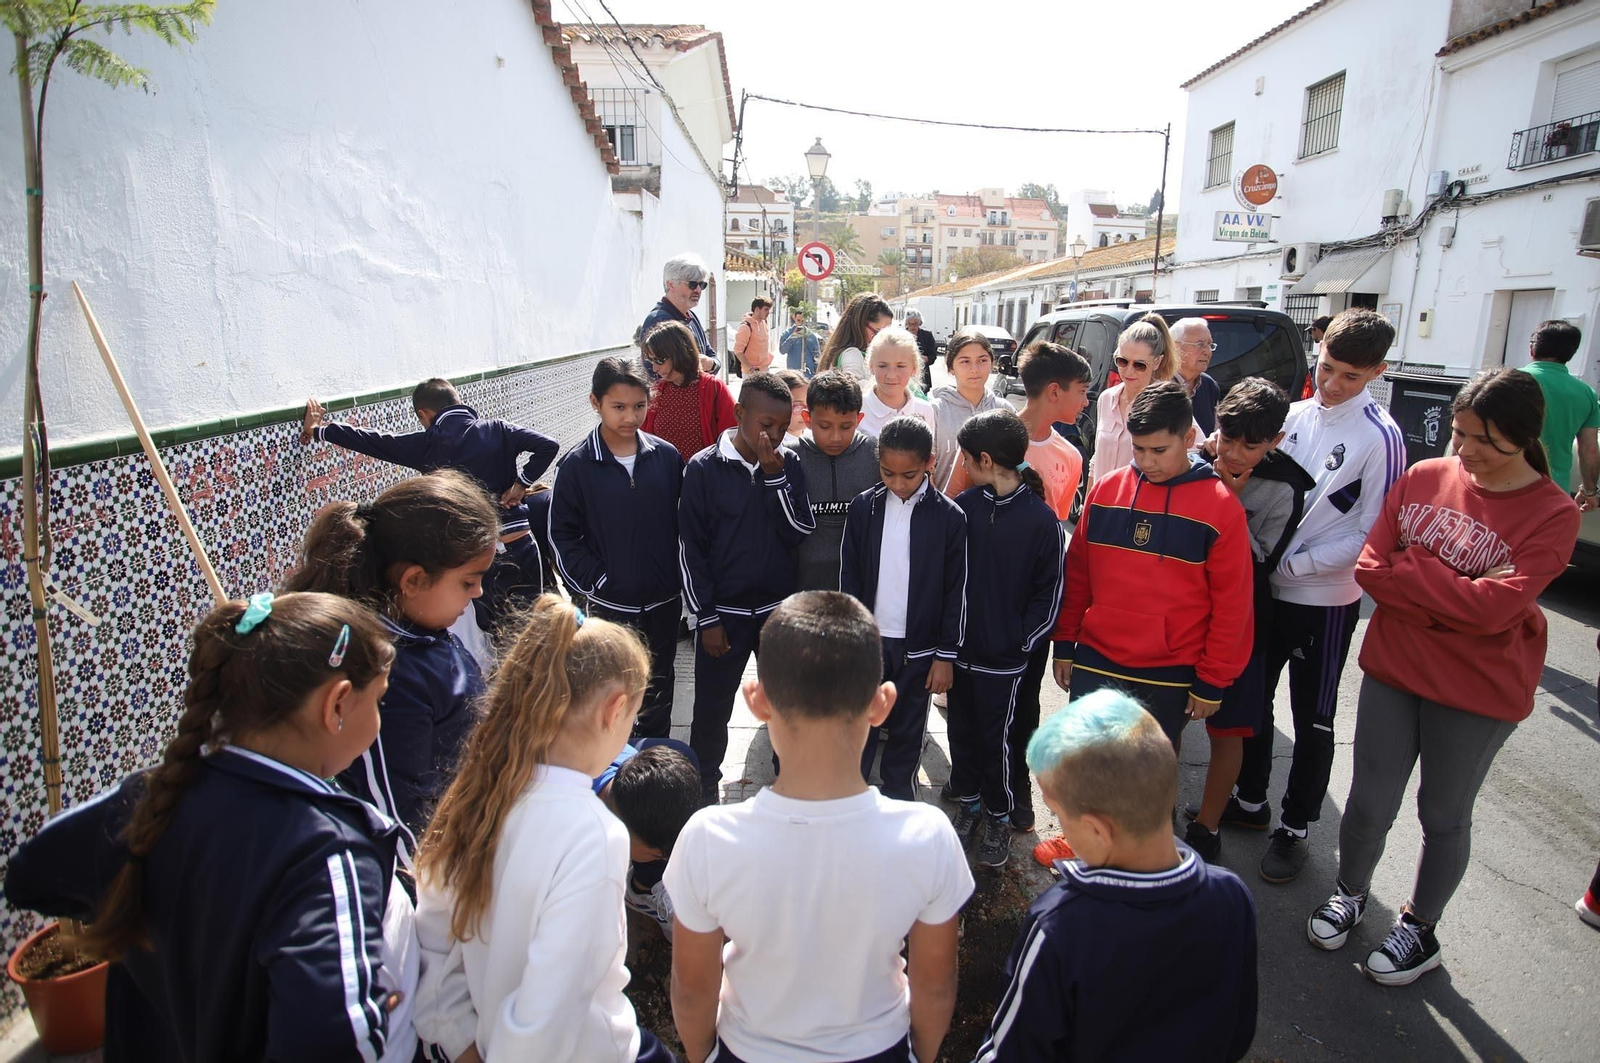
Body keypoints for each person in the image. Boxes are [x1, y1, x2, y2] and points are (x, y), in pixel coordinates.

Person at [5, 593, 410, 1062]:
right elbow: (332, 1041)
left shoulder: (151, 797)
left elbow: (29, 875)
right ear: (337, 704)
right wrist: (367, 1016)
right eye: (379, 699)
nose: (380, 716)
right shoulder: (328, 854)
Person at [1305, 368, 1581, 987]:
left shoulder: (1551, 513)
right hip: (1395, 668)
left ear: (1524, 438)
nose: (1467, 452)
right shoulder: (1426, 477)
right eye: (1459, 434)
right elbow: (1373, 569)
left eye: (1486, 441)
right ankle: (1350, 893)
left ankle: (1419, 927)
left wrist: (1419, 570)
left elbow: (1498, 610)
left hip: (1478, 692)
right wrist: (1456, 592)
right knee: (1370, 799)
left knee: (1444, 812)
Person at [665, 592, 973, 1063]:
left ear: (758, 700)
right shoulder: (927, 836)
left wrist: (703, 1056)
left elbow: (691, 991)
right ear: (882, 703)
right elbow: (934, 988)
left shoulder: (708, 838)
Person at [411, 596, 676, 1061]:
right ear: (614, 711)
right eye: (633, 718)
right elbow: (545, 1020)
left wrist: (465, 1045)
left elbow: (434, 953)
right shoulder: (595, 835)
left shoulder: (473, 798)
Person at [973, 690, 1257, 1063]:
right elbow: (1238, 1030)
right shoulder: (1232, 896)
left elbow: (1011, 1051)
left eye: (1059, 816)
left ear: (1096, 830)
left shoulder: (1059, 926)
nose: (1060, 827)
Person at [1234, 308, 1406, 886]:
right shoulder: (1294, 416)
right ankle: (1251, 801)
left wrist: (1293, 563)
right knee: (1253, 700)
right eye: (1326, 368)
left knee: (1314, 718)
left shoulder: (1382, 438)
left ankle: (1296, 827)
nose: (1332, 385)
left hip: (1324, 600)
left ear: (1377, 372)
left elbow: (1376, 533)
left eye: (1349, 378)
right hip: (1266, 592)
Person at [281, 471, 499, 859]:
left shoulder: (425, 630)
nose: (479, 592)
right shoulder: (385, 679)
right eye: (468, 582)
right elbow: (398, 815)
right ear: (413, 580)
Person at [1052, 381, 1253, 752]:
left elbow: (1233, 605)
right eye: (1138, 449)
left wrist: (1213, 679)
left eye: (1159, 450)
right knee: (1085, 769)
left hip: (1170, 669)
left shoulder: (1221, 507)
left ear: (1189, 436)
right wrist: (1064, 643)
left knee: (1147, 777)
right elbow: (1077, 574)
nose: (1147, 461)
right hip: (1098, 658)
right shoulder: (1107, 490)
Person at [300, 378, 558, 637]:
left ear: (424, 413)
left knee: (496, 635)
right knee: (534, 631)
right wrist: (521, 484)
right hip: (522, 544)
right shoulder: (498, 429)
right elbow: (548, 445)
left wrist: (319, 430)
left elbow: (374, 441)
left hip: (478, 559)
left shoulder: (428, 444)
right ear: (457, 402)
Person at [1182, 379, 1315, 864]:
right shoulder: (1195, 460)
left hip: (1242, 624)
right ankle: (1156, 818)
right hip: (1183, 620)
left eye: (1250, 445)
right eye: (1227, 438)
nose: (1234, 453)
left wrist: (1229, 503)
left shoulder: (1285, 487)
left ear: (1276, 441)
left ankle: (1207, 826)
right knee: (1170, 721)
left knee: (1230, 728)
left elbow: (1263, 560)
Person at [679, 372, 816, 802]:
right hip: (725, 615)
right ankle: (703, 789)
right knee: (712, 709)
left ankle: (789, 786)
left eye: (781, 426)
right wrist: (706, 616)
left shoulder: (789, 464)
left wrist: (775, 479)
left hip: (776, 614)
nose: (772, 434)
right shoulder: (703, 468)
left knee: (784, 707)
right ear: (739, 414)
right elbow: (690, 549)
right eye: (764, 424)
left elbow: (799, 531)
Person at [947, 409, 1066, 869]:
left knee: (998, 738)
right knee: (963, 731)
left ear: (983, 459)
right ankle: (971, 805)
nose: (962, 467)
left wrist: (1020, 642)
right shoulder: (966, 509)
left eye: (965, 459)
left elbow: (1049, 594)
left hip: (1005, 661)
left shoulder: (1041, 521)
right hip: (960, 655)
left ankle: (999, 814)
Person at [550, 358, 685, 740]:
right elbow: (562, 535)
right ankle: (611, 761)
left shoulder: (666, 457)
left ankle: (653, 759)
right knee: (612, 687)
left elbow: (687, 524)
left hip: (663, 600)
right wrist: (599, 581)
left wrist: (676, 575)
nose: (630, 417)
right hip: (611, 605)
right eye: (619, 407)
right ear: (596, 402)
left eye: (639, 406)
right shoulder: (577, 466)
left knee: (658, 683)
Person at [841, 417, 967, 800]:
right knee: (859, 724)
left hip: (921, 650)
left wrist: (945, 654)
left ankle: (899, 803)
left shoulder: (949, 517)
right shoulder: (865, 507)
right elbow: (851, 576)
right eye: (887, 473)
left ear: (929, 461)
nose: (897, 484)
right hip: (870, 643)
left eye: (908, 475)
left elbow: (955, 590)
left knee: (908, 731)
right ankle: (851, 800)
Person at [996, 342, 1091, 835]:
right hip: (986, 594)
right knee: (983, 696)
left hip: (1036, 599)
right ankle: (978, 783)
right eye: (1081, 392)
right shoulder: (993, 434)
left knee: (1026, 699)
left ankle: (1017, 789)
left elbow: (1058, 529)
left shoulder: (1069, 455)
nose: (1086, 402)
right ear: (1054, 391)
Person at [595, 742, 703, 940]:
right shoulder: (574, 833)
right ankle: (642, 890)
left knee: (686, 754)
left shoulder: (625, 763)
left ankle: (653, 876)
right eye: (656, 855)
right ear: (621, 835)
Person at [794, 371, 878, 592]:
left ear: (859, 420)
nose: (835, 437)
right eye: (824, 426)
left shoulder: (876, 456)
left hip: (861, 583)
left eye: (845, 426)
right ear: (807, 418)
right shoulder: (789, 458)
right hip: (802, 585)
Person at [1088, 313, 1183, 486]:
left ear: (1157, 362)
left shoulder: (1167, 403)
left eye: (1139, 365)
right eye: (1122, 361)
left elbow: (1192, 452)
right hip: (1102, 505)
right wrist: (1087, 508)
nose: (1129, 371)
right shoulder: (1106, 398)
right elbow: (1097, 460)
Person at [1518, 318, 1598, 509]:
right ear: (1571, 354)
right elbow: (1589, 450)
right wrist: (1589, 491)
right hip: (1553, 492)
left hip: (1502, 486)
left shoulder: (1506, 381)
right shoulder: (1586, 393)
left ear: (1532, 349)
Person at [641, 319, 738, 462]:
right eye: (651, 361)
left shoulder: (714, 388)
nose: (655, 368)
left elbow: (732, 436)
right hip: (665, 479)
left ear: (680, 353)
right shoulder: (656, 392)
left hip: (703, 478)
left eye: (659, 360)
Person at [931, 328, 1008, 495]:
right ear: (950, 367)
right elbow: (925, 468)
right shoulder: (935, 411)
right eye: (965, 361)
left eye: (982, 360)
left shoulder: (1005, 410)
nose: (974, 369)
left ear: (992, 363)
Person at [640, 252, 718, 383]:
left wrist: (711, 364)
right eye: (692, 284)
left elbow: (711, 354)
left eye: (702, 285)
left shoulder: (691, 316)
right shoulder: (658, 321)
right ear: (671, 284)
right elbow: (655, 373)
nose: (698, 290)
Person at [859, 326, 938, 438]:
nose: (891, 375)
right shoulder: (857, 409)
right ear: (871, 366)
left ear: (914, 368)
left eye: (900, 366)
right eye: (882, 366)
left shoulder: (924, 411)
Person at [818, 292, 893, 379]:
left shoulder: (839, 350)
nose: (881, 339)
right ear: (860, 325)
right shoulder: (852, 355)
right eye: (877, 332)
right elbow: (857, 388)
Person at [1172, 317, 1223, 436]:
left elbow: (1215, 432)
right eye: (1200, 345)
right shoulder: (1157, 382)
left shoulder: (1209, 385)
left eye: (1210, 345)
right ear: (1175, 347)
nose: (1207, 352)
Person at [732, 296, 774, 377]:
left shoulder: (764, 322)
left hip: (765, 370)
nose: (769, 312)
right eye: (766, 309)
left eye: (769, 309)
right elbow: (738, 350)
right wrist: (750, 368)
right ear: (757, 309)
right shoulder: (745, 327)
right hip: (751, 373)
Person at [905, 310, 938, 393]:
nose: (912, 326)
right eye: (910, 324)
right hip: (905, 376)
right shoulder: (900, 335)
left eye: (915, 323)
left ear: (920, 323)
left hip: (922, 378)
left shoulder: (927, 336)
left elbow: (933, 356)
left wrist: (925, 359)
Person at [781, 308, 821, 376]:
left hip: (808, 375)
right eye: (798, 320)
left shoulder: (811, 336)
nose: (800, 323)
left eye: (803, 321)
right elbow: (782, 350)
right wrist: (793, 337)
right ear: (794, 317)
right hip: (793, 374)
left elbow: (816, 356)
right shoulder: (787, 333)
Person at [777, 368, 808, 446]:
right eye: (798, 406)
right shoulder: (777, 445)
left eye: (810, 404)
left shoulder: (813, 437)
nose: (806, 411)